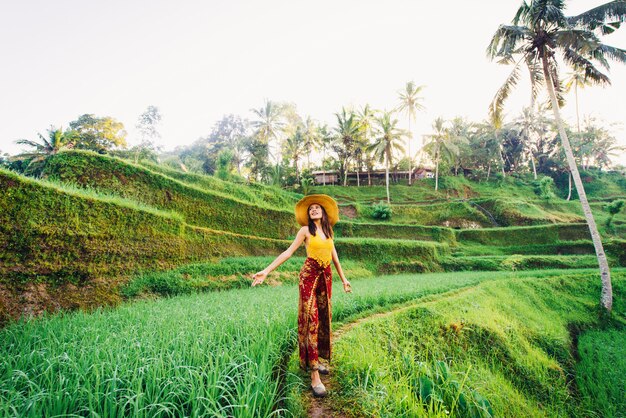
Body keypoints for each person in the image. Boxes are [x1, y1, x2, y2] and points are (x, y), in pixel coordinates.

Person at [251, 194, 351, 398]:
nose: (314, 209)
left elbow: (335, 259)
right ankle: (314, 375)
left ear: (323, 212)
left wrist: (344, 279)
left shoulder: (329, 232)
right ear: (308, 214)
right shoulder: (305, 231)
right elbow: (288, 252)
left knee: (324, 318)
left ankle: (319, 360)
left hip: (327, 277)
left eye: (317, 207)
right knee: (311, 320)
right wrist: (267, 271)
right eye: (311, 208)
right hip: (309, 276)